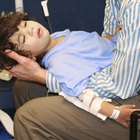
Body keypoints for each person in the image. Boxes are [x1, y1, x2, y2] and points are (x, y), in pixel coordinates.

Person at [2, 0, 140, 139]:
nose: (29, 30)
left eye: (25, 24)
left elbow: (119, 84)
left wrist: (114, 37)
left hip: (126, 89)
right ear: (29, 57)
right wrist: (114, 113)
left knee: (27, 118)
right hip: (102, 87)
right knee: (23, 87)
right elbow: (81, 94)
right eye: (23, 39)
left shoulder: (58, 38)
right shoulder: (60, 61)